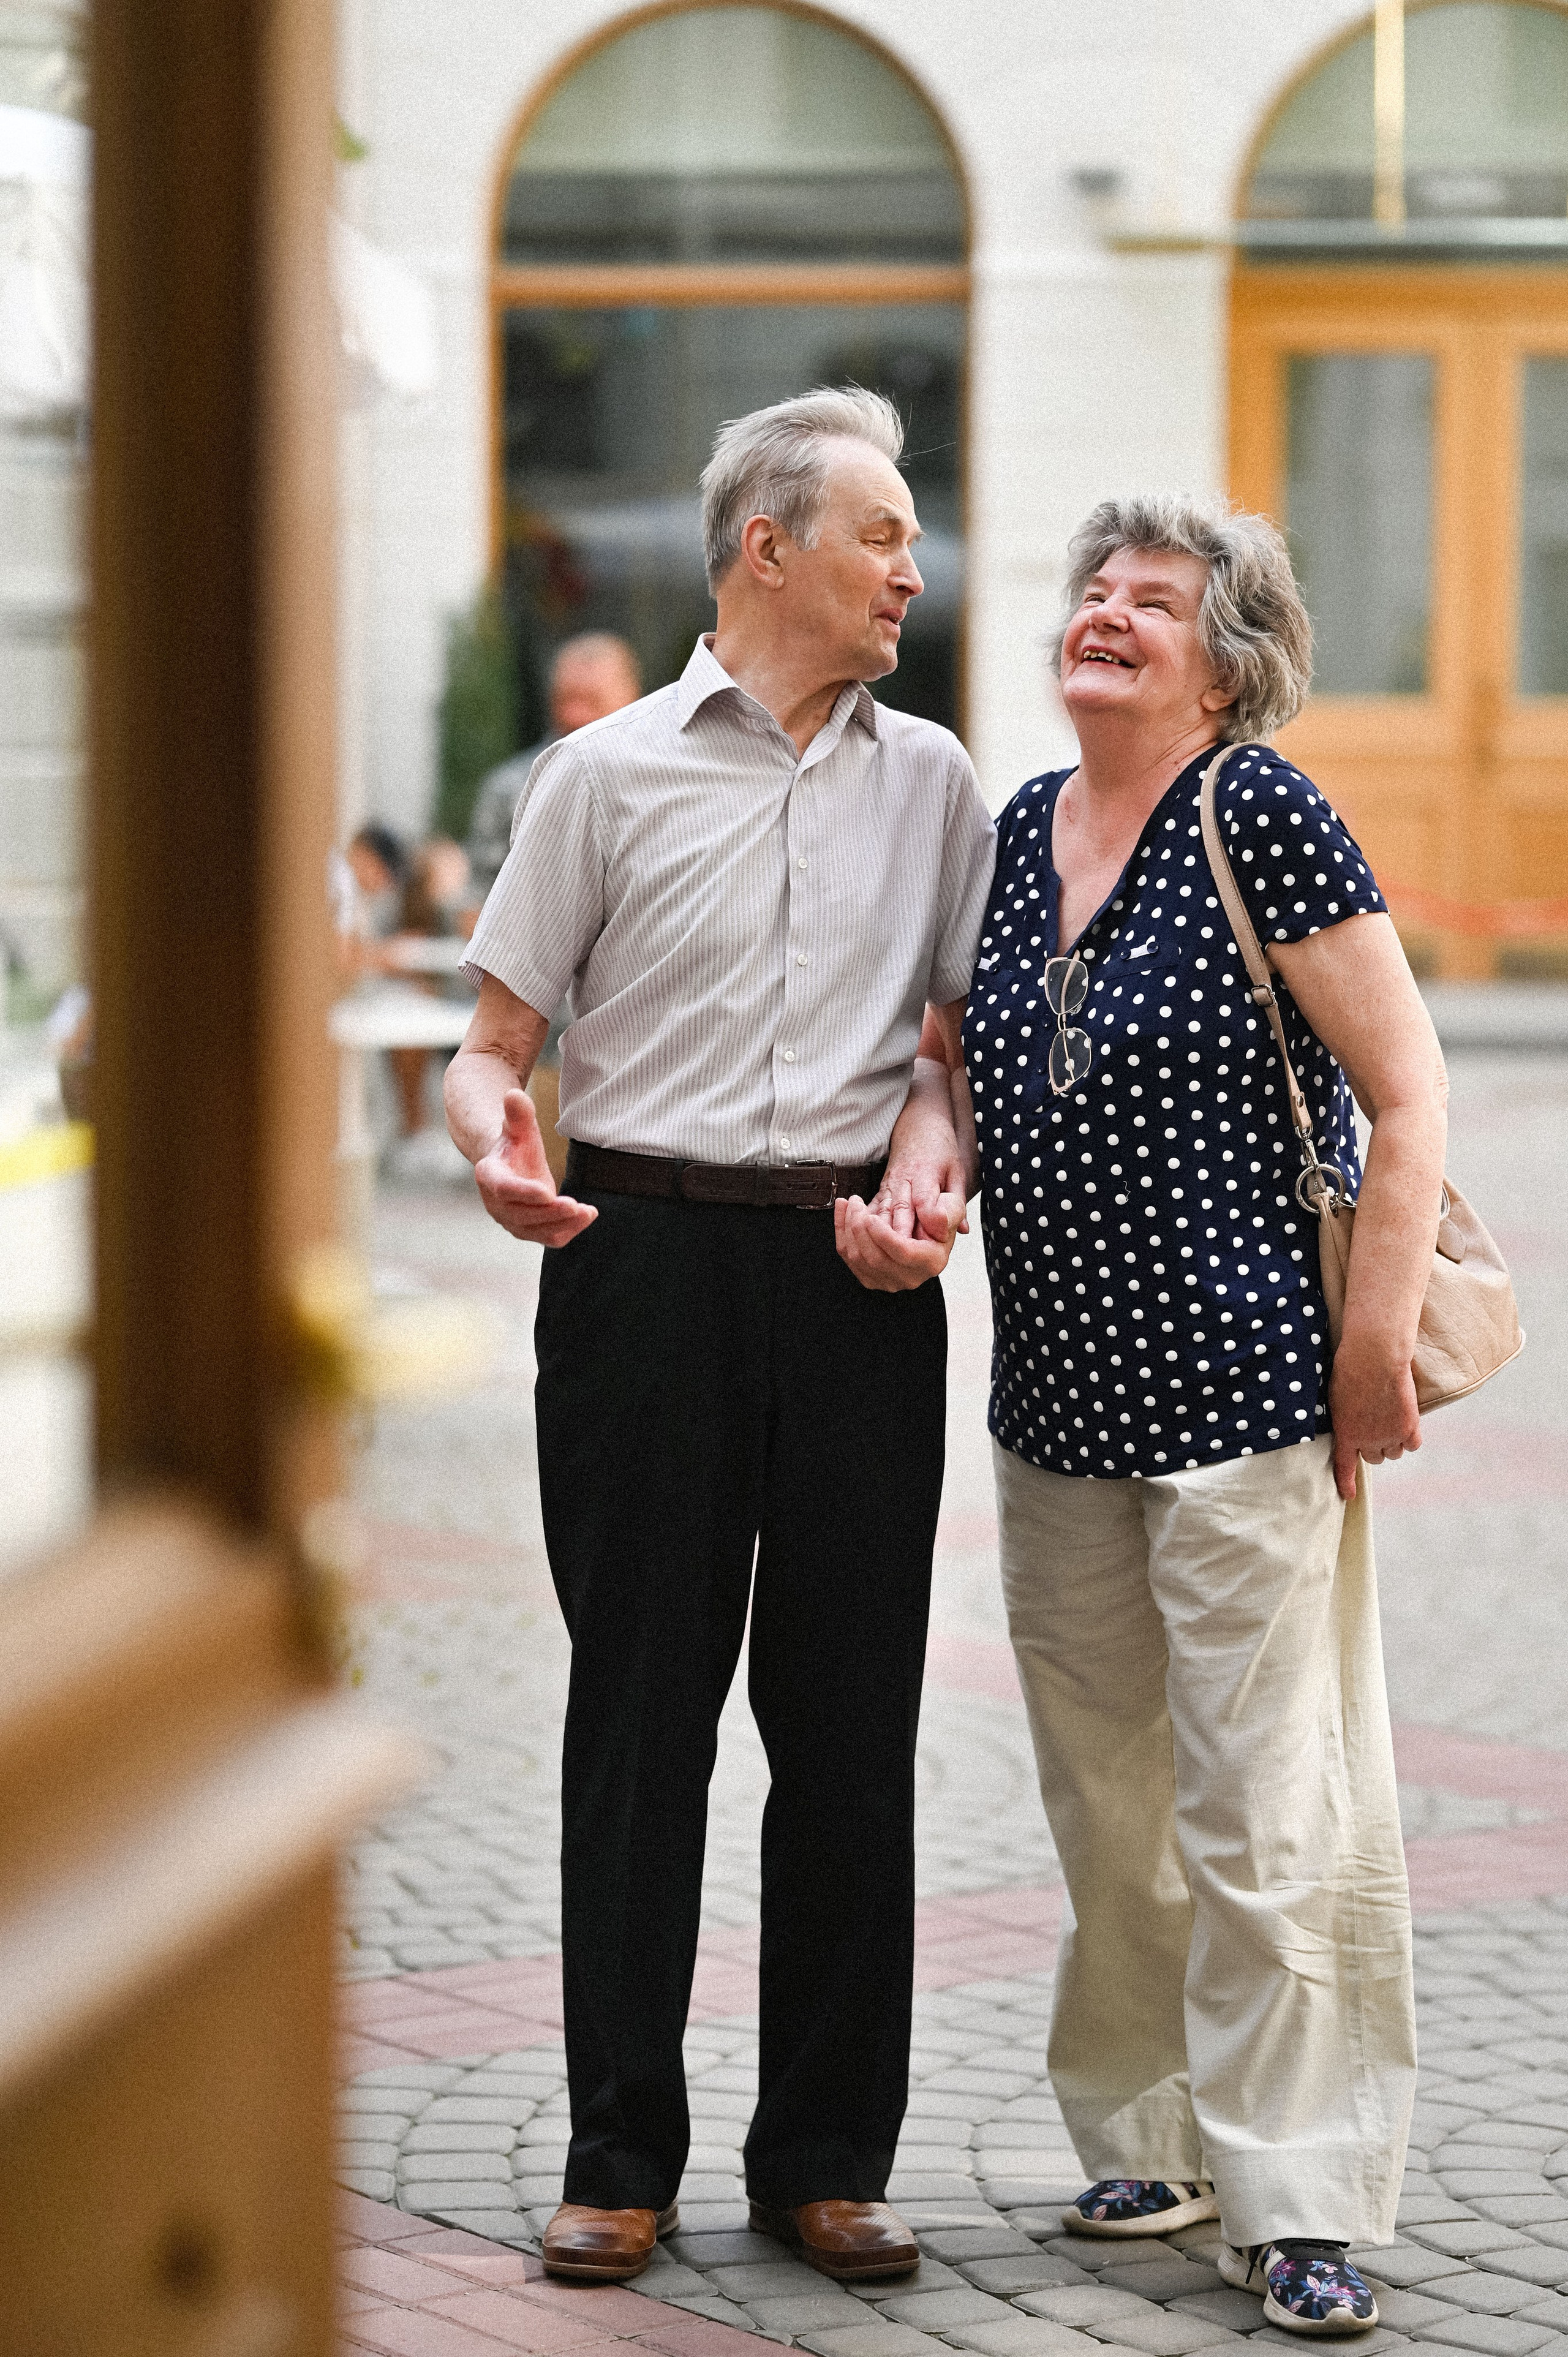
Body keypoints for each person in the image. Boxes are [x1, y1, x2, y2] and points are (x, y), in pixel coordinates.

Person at [842, 494, 1441, 2338]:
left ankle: (1297, 2189)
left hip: (1251, 1403)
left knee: (1260, 1812)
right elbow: (949, 1069)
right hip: (1055, 1413)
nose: (1104, 615)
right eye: (1093, 591)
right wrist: (919, 1183)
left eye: (1152, 602)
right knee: (1107, 1809)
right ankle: (1146, 2129)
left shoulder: (1259, 810)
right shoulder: (1022, 829)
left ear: (1225, 656)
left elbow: (1405, 1098)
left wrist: (1373, 1346)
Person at [444, 387, 995, 2288]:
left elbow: (948, 1065)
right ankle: (619, 2154)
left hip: (854, 1287)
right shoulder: (597, 780)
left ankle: (826, 2156)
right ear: (768, 548)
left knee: (846, 1733)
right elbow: (489, 1045)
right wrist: (489, 1140)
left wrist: (930, 1185)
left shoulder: (936, 784)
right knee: (638, 1718)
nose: (911, 566)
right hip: (640, 1264)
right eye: (882, 532)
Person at [466, 632, 643, 902]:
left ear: (632, 696)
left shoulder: (662, 782)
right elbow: (479, 901)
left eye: (590, 700)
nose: (574, 715)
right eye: (565, 699)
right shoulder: (509, 788)